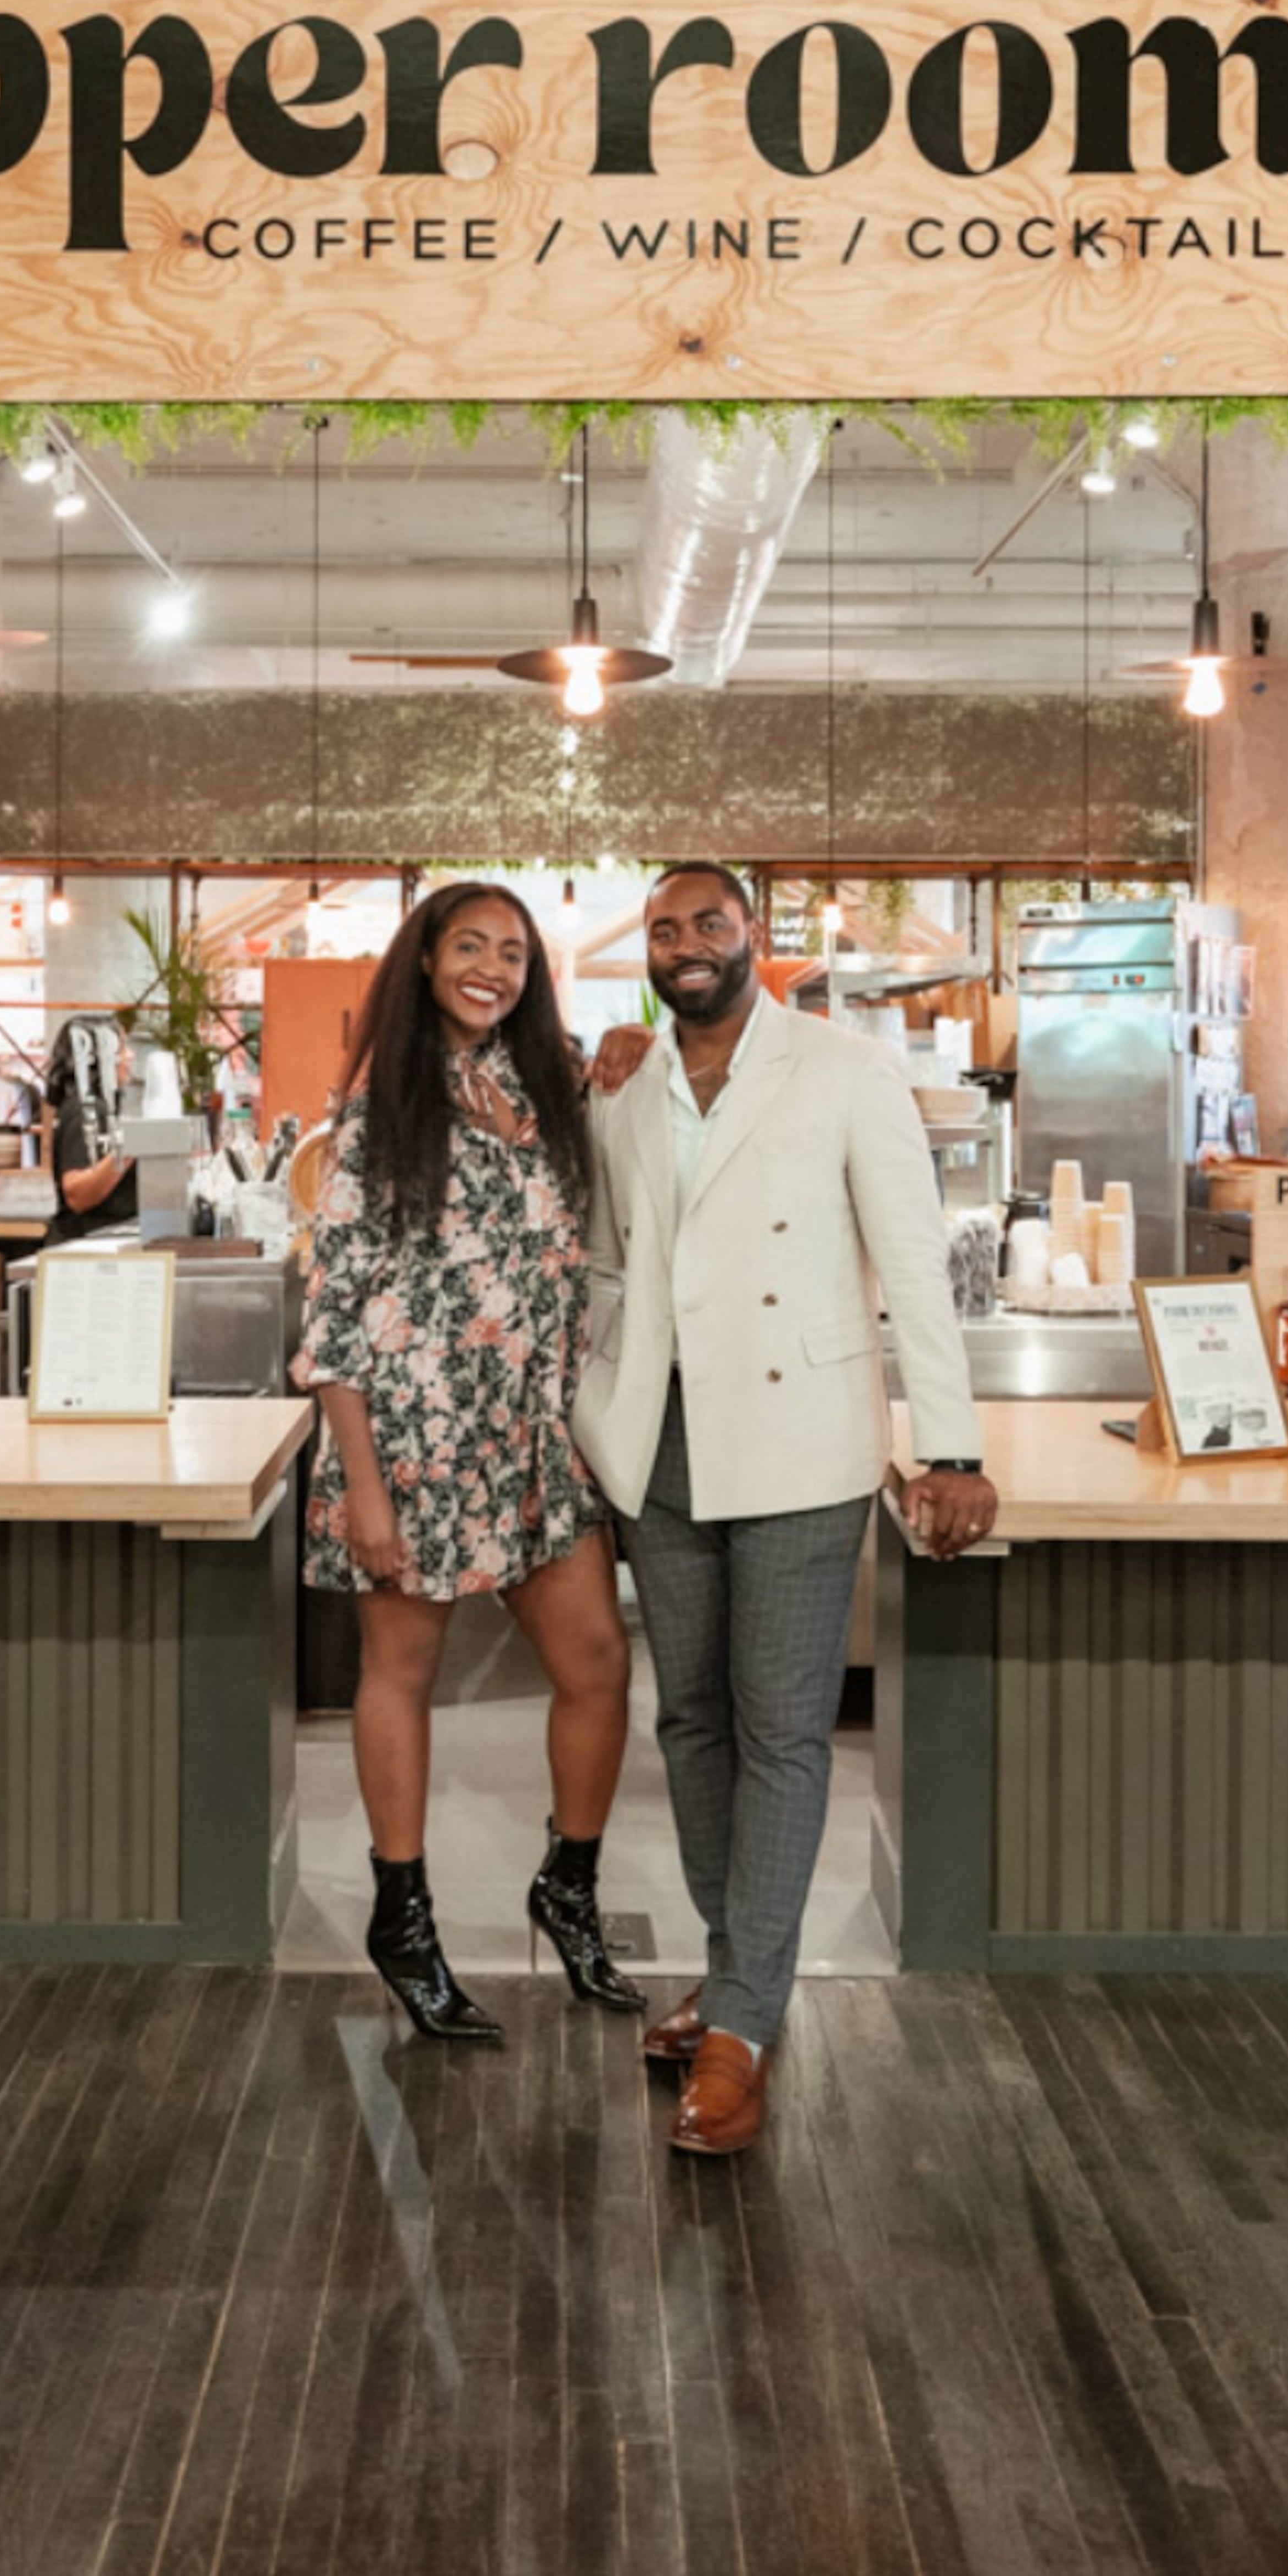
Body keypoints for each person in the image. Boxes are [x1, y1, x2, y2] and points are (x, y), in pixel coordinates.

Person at [576, 861, 995, 2156]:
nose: (686, 943)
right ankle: (734, 1971)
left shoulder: (842, 1067)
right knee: (690, 1718)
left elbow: (911, 1262)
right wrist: (591, 1427)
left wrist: (950, 1443)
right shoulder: (627, 1087)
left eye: (709, 921)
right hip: (662, 1448)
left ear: (756, 937)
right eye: (663, 927)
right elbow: (607, 1263)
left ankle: (743, 2024)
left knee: (782, 1735)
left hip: (803, 1445)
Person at [293, 881, 643, 2044]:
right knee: (404, 1670)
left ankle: (570, 1888)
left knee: (597, 1660)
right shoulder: (380, 1117)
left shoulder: (547, 1094)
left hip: (535, 1435)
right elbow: (335, 1320)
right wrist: (367, 1492)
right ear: (426, 960)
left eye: (514, 952)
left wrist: (627, 1067)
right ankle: (404, 1917)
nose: (494, 967)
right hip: (411, 1437)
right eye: (471, 947)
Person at [44, 1016, 137, 1246]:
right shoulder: (85, 1110)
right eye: (122, 1048)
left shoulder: (97, 1108)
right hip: (84, 1249)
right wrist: (130, 1146)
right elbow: (77, 1194)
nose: (131, 1056)